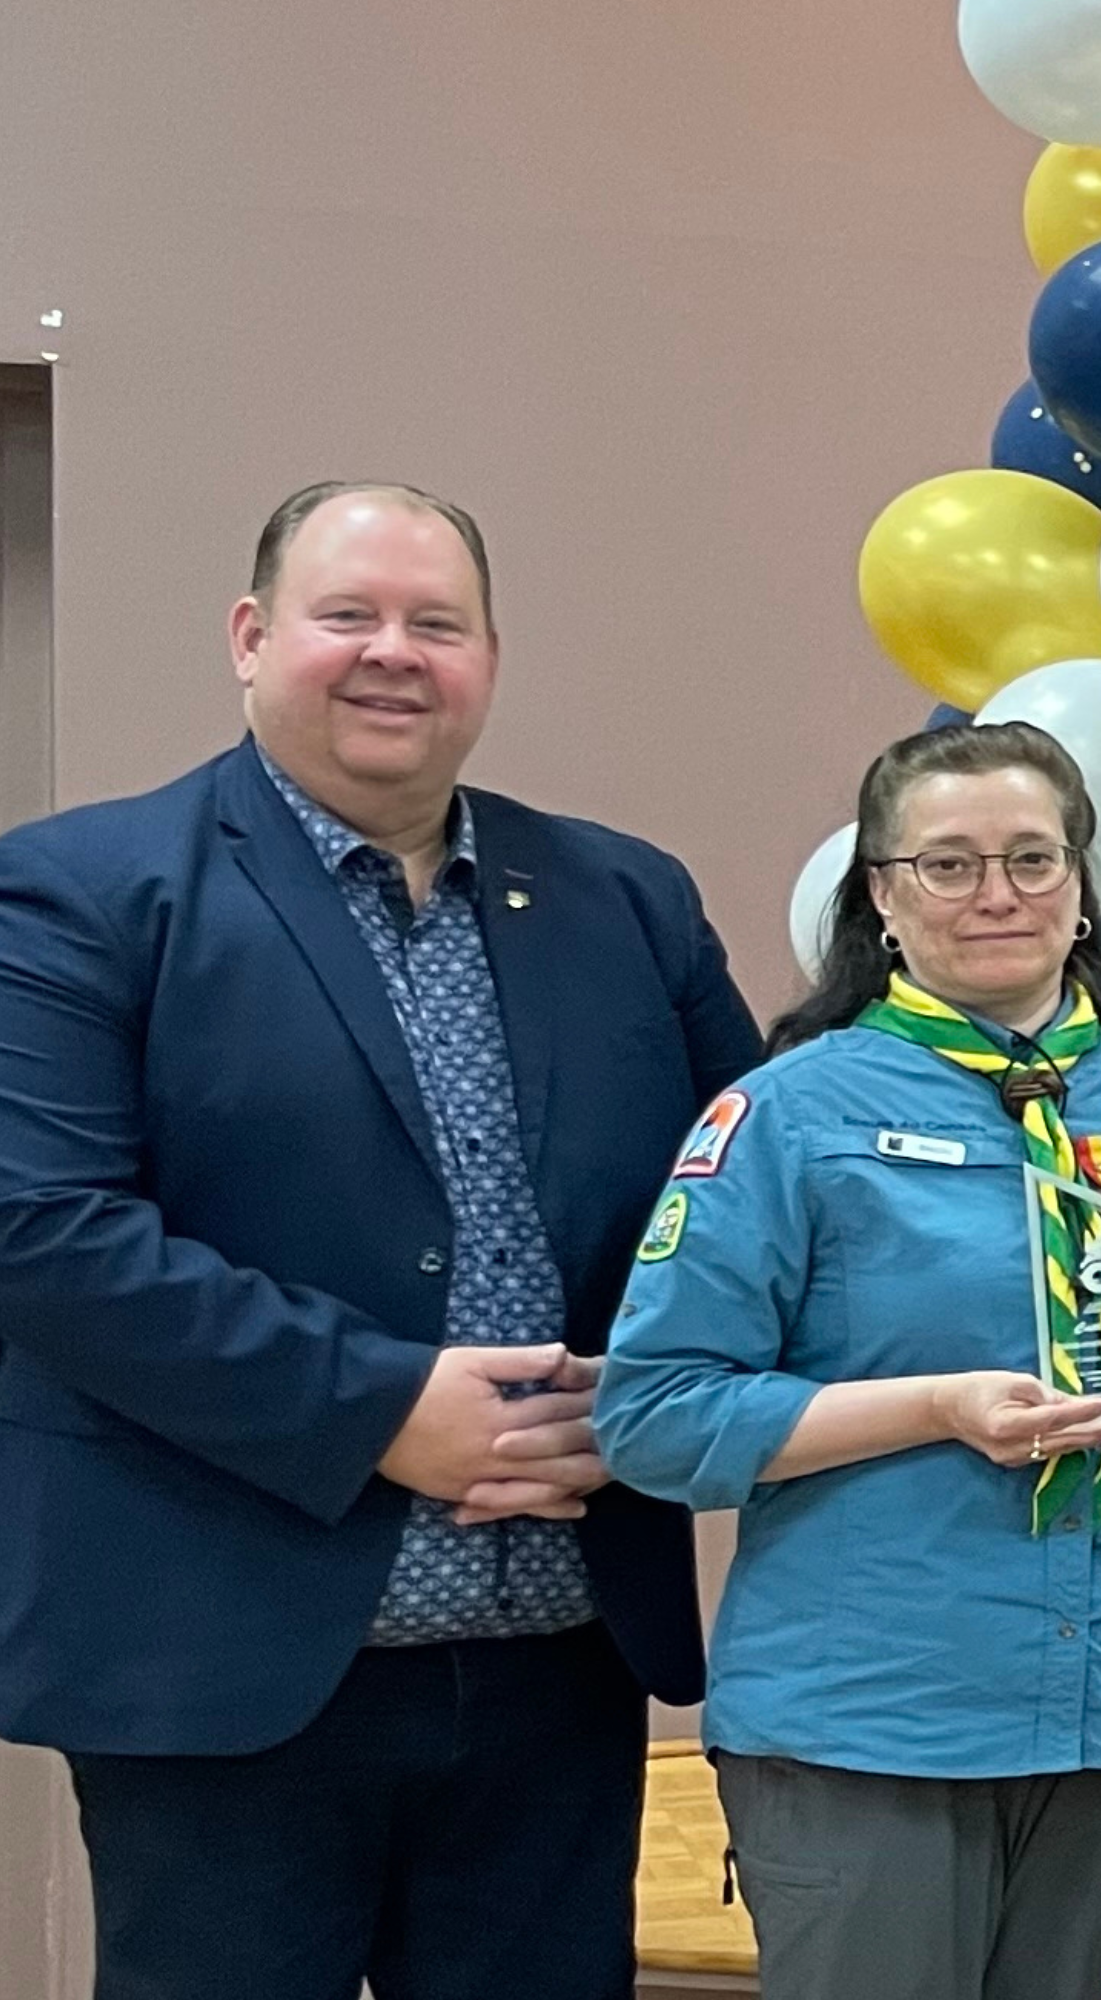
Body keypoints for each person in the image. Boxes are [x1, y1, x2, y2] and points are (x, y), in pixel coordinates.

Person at [0, 482, 755, 1999]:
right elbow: (46, 1232)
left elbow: (747, 1191)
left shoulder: (624, 896)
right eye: (348, 615)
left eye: (437, 623)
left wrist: (667, 1386)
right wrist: (382, 1409)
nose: (391, 654)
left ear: (489, 657)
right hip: (225, 1667)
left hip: (560, 1656)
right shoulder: (81, 894)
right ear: (251, 635)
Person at [598, 723, 1101, 2000]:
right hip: (877, 1714)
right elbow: (655, 1416)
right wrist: (931, 1407)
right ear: (880, 892)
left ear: (1084, 882)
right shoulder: (787, 1115)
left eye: (1033, 858)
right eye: (949, 863)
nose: (998, 893)